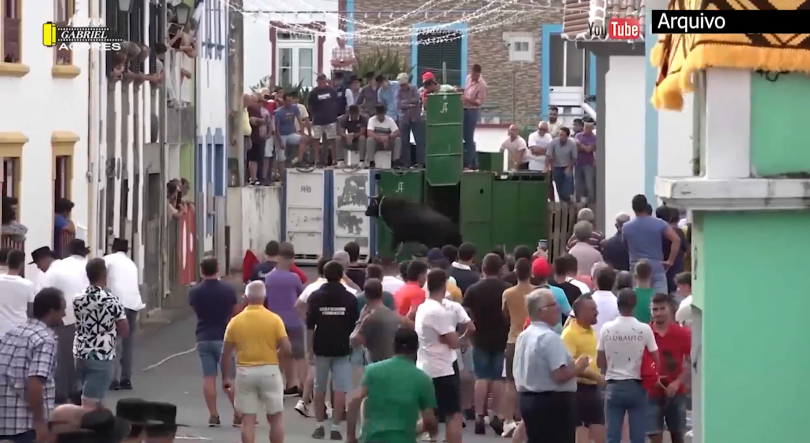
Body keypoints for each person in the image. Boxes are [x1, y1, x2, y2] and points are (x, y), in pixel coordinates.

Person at [514, 289, 589, 443]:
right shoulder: (549, 337)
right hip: (552, 403)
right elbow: (559, 374)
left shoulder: (524, 335)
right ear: (542, 311)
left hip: (528, 399)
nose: (558, 308)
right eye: (553, 305)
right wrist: (578, 367)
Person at [221, 281, 291, 443]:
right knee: (275, 419)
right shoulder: (274, 320)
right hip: (270, 370)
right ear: (264, 297)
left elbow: (225, 354)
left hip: (245, 372)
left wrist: (226, 376)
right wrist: (277, 357)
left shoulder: (235, 321)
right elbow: (287, 349)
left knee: (248, 420)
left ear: (245, 297)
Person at [345, 328, 438, 443]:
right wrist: (424, 431)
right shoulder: (423, 379)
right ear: (417, 348)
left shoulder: (372, 370)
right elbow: (429, 420)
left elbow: (354, 400)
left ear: (393, 345)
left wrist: (350, 436)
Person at [0, 287, 65, 443]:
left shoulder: (14, 332)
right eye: (62, 310)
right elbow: (35, 384)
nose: (64, 314)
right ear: (51, 311)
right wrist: (40, 426)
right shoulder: (46, 340)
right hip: (24, 422)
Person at [597, 288, 660, 443]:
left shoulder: (606, 328)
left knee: (612, 435)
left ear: (618, 305)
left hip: (613, 385)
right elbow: (656, 360)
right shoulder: (644, 329)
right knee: (638, 435)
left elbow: (600, 361)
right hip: (637, 385)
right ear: (635, 305)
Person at [306, 261, 360, 440]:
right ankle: (336, 427)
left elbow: (309, 326)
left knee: (319, 387)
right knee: (339, 388)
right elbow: (354, 325)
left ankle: (319, 425)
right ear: (341, 274)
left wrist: (309, 349)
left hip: (320, 346)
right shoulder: (350, 298)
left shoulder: (315, 296)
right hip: (342, 347)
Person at [188, 256, 240, 427]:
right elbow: (235, 311)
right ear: (217, 269)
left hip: (203, 336)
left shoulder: (195, 292)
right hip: (224, 337)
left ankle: (214, 415)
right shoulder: (228, 290)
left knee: (208, 377)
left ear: (201, 270)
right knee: (229, 377)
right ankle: (238, 413)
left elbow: (196, 310)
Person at [462, 253, 510, 435]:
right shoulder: (506, 288)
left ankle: (479, 417)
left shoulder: (473, 289)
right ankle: (496, 416)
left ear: (483, 268)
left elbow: (466, 314)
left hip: (479, 337)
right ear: (500, 269)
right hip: (501, 338)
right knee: (497, 378)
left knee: (481, 377)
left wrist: (466, 335)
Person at [415, 269, 463, 443]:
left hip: (425, 366)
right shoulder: (438, 311)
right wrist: (449, 337)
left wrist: (446, 337)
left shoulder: (423, 307)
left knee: (430, 417)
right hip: (441, 369)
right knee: (454, 415)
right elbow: (454, 342)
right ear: (444, 286)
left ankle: (398, 436)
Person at [40, 239, 90, 404]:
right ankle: (79, 393)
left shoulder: (58, 267)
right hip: (87, 318)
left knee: (62, 358)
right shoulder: (88, 265)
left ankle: (61, 394)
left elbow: (43, 291)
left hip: (65, 317)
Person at [562, 295, 606, 443]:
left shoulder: (591, 332)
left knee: (600, 432)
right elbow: (568, 365)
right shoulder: (570, 334)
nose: (597, 312)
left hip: (593, 390)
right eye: (593, 309)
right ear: (581, 312)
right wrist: (596, 377)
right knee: (580, 434)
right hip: (577, 390)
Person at [263, 243, 305, 397]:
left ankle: (278, 384)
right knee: (299, 355)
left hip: (274, 322)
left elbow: (264, 299)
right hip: (294, 320)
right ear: (292, 260)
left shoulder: (268, 278)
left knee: (276, 354)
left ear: (278, 258)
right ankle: (301, 385)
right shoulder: (294, 277)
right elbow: (302, 296)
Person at [647, 293, 690, 443]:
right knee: (654, 436)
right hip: (651, 392)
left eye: (662, 309)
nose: (658, 313)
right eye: (655, 309)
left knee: (678, 436)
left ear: (670, 309)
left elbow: (690, 362)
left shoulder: (683, 333)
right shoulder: (644, 333)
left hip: (676, 392)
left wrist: (677, 382)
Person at [104, 238, 145, 392]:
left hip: (116, 303)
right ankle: (126, 378)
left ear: (113, 248)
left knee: (114, 341)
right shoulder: (132, 264)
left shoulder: (108, 260)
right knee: (128, 342)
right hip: (133, 303)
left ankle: (113, 379)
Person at [622, 195, 682, 294]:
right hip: (656, 265)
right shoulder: (660, 224)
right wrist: (670, 260)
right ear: (646, 206)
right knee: (660, 298)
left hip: (637, 268)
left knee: (638, 299)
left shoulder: (626, 227)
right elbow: (676, 239)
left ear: (633, 208)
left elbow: (625, 245)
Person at [501, 258, 533, 438]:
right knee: (529, 382)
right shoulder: (537, 292)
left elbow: (504, 313)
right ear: (530, 273)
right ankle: (525, 419)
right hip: (532, 340)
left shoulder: (508, 293)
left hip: (513, 339)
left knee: (510, 382)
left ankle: (508, 421)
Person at [350, 279, 400, 363]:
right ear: (381, 294)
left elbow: (354, 341)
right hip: (391, 361)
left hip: (376, 364)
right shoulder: (393, 315)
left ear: (365, 295)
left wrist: (360, 320)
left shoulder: (370, 318)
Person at [0, 249, 35, 337]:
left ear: (7, 262)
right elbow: (30, 311)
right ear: (21, 264)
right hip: (19, 331)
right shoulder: (27, 284)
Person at [308, 73, 339, 166]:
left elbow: (336, 102)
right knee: (316, 139)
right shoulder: (313, 92)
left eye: (323, 81)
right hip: (318, 120)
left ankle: (334, 160)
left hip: (330, 119)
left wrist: (334, 113)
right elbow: (309, 106)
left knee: (332, 139)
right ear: (317, 81)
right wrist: (313, 116)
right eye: (320, 81)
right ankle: (316, 160)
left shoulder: (332, 91)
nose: (321, 83)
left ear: (325, 81)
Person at [365, 104, 402, 168]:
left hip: (387, 142)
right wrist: (380, 138)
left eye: (381, 114)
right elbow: (369, 133)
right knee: (370, 140)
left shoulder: (389, 120)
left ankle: (396, 161)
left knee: (398, 139)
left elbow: (397, 132)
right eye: (378, 114)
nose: (380, 116)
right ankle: (371, 162)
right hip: (377, 143)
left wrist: (388, 137)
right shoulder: (372, 120)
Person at [546, 127, 578, 202]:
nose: (561, 137)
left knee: (568, 181)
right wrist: (547, 166)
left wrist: (569, 167)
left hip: (567, 166)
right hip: (556, 166)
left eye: (563, 135)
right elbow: (548, 155)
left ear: (567, 136)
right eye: (560, 135)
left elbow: (574, 158)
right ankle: (562, 200)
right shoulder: (553, 142)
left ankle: (568, 198)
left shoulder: (572, 144)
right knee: (558, 185)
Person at [589, 267, 620, 335]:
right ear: (614, 283)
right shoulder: (619, 305)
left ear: (596, 281)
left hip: (589, 344)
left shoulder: (585, 303)